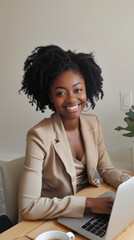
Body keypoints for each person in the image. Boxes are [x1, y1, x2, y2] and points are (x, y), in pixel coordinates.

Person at [18, 45, 130, 221]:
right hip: (52, 218)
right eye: (61, 93)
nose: (71, 99)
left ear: (87, 90)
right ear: (51, 97)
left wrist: (129, 186)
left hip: (87, 213)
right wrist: (88, 203)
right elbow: (29, 207)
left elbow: (106, 169)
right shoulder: (39, 136)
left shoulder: (92, 123)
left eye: (78, 90)